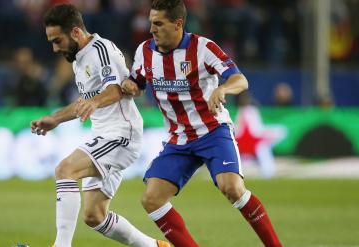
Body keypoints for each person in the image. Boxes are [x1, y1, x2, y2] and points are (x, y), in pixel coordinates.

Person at [121, 0, 283, 246]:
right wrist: (130, 86)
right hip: (179, 139)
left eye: (158, 23)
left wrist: (223, 89)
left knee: (232, 188)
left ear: (178, 24)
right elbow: (137, 82)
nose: (151, 29)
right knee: (151, 199)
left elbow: (240, 80)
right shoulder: (144, 51)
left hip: (213, 132)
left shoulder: (203, 47)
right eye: (151, 22)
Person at [30, 4, 170, 247]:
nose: (54, 48)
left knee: (65, 170)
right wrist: (55, 118)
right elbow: (85, 102)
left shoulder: (100, 50)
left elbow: (119, 89)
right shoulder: (78, 59)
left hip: (121, 135)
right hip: (105, 135)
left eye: (57, 40)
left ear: (75, 32)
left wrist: (94, 102)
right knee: (94, 216)